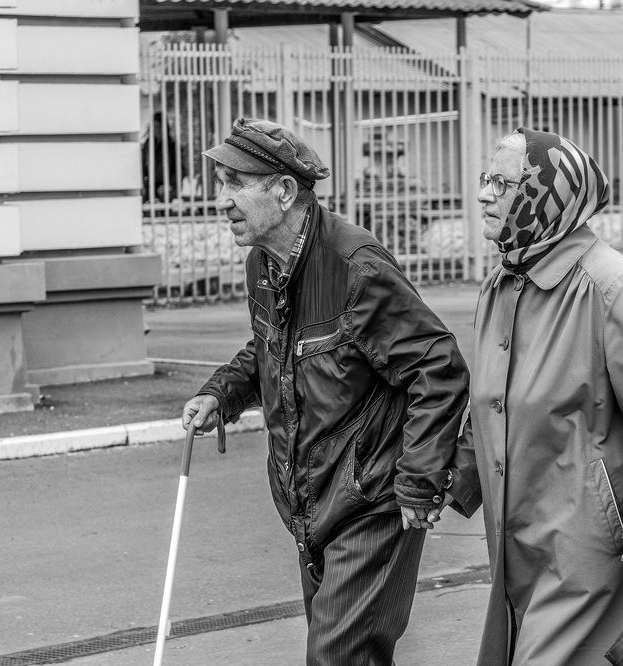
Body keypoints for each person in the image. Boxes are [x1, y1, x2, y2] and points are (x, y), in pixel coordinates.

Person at [181, 117, 479, 665]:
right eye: (221, 183)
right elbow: (271, 348)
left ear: (283, 190)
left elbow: (437, 367)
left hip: (372, 500)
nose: (222, 200)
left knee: (337, 658)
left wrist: (418, 482)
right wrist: (222, 394)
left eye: (236, 184)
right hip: (311, 504)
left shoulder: (355, 267)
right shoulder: (263, 263)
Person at [465, 128, 623, 664]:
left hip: (590, 551)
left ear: (547, 196)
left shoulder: (609, 286)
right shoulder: (501, 284)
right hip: (517, 541)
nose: (483, 194)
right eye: (485, 179)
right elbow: (491, 405)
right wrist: (441, 479)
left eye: (502, 184)